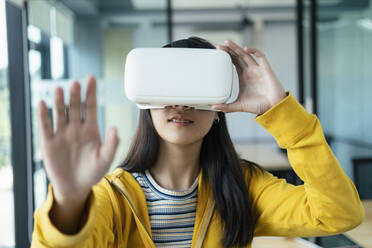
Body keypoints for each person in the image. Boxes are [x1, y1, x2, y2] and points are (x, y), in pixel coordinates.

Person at [31, 37, 364, 248]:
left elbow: (339, 214)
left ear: (218, 110)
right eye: (168, 88)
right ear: (146, 102)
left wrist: (280, 113)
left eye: (196, 89)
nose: (181, 104)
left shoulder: (243, 189)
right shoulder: (112, 198)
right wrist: (69, 202)